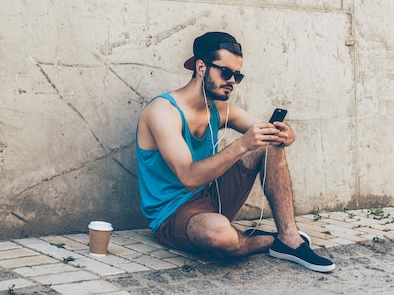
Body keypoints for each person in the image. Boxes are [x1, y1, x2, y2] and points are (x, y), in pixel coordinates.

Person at [135, 31, 335, 273]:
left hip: (213, 197)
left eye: (237, 75)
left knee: (268, 140)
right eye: (226, 72)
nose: (232, 80)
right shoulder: (163, 111)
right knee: (219, 234)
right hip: (173, 215)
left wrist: (285, 134)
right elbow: (189, 178)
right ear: (201, 67)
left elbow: (266, 130)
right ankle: (269, 241)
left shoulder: (219, 109)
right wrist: (242, 145)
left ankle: (290, 237)